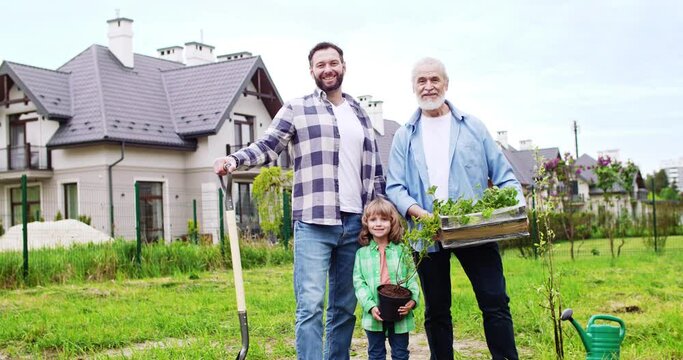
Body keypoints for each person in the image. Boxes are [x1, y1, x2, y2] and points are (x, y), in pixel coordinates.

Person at [213, 42, 384, 360]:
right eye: (321, 65)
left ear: (344, 66)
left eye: (333, 62)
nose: (328, 69)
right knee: (310, 306)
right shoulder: (297, 108)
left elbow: (374, 173)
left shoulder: (360, 113)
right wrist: (235, 159)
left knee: (345, 307)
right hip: (313, 221)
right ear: (312, 71)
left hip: (355, 223)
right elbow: (268, 144)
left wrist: (380, 214)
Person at [386, 57, 524, 360]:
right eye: (421, 81)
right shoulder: (404, 136)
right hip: (427, 234)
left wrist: (513, 208)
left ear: (445, 84)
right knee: (436, 311)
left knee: (495, 302)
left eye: (434, 79)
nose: (428, 86)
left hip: (475, 230)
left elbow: (505, 176)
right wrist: (420, 214)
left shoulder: (473, 127)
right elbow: (394, 186)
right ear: (413, 87)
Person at [352, 197, 419, 360]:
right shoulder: (361, 254)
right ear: (366, 223)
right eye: (373, 219)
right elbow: (359, 283)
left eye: (384, 219)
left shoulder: (402, 250)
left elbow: (412, 279)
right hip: (374, 312)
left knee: (401, 353)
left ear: (392, 222)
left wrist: (412, 301)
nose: (378, 224)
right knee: (375, 353)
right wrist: (370, 305)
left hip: (399, 311)